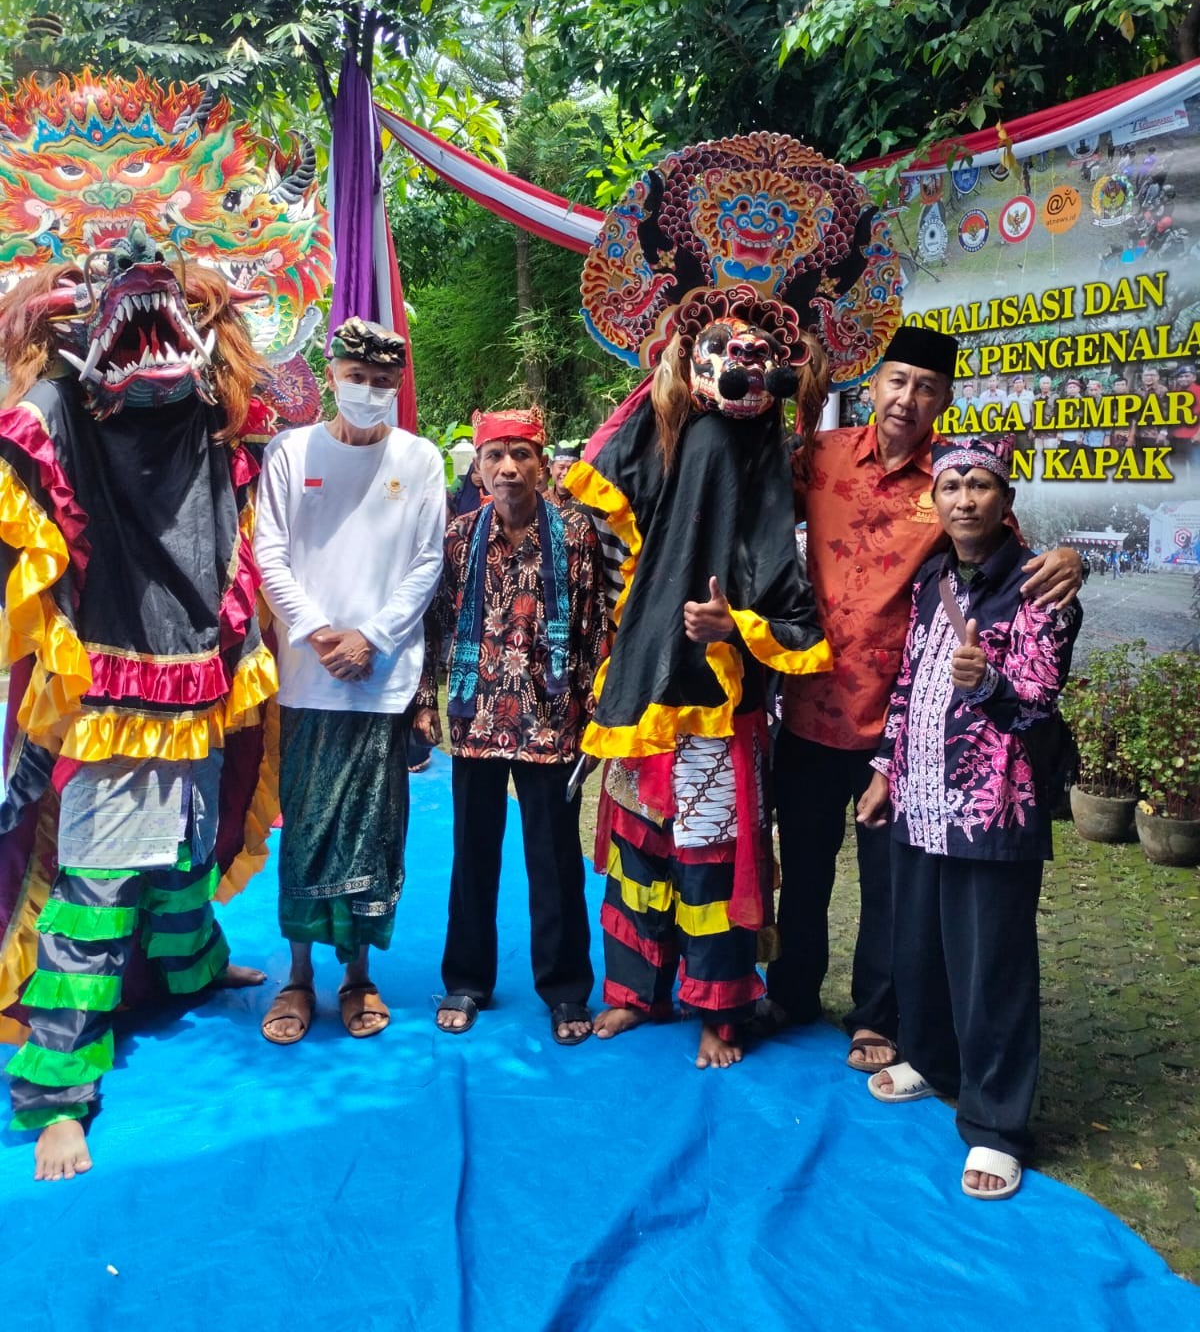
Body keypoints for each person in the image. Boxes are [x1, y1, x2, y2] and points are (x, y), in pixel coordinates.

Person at [0, 228, 278, 1180]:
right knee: (102, 879)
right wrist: (27, 338)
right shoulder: (67, 408)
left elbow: (268, 402)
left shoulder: (212, 412)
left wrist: (217, 306)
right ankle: (59, 1097)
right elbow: (17, 436)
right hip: (113, 682)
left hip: (198, 669)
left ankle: (192, 967)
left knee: (190, 844)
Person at [762, 324, 1082, 1071]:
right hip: (809, 705)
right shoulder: (823, 458)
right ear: (874, 385)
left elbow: (1017, 565)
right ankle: (792, 991)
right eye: (897, 381)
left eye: (927, 387)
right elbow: (747, 507)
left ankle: (880, 1015)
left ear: (944, 398)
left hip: (903, 730)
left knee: (893, 887)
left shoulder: (954, 480)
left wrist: (1074, 560)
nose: (909, 398)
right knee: (804, 865)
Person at [569, 288, 832, 1069]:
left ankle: (720, 1009)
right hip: (649, 677)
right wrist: (666, 359)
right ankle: (632, 992)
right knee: (642, 848)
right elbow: (599, 466)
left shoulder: (772, 456)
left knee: (713, 854)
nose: (741, 368)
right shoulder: (671, 433)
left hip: (720, 697)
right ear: (694, 361)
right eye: (723, 352)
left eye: (759, 356)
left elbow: (790, 599)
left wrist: (736, 627)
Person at [856, 434, 1081, 1200]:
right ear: (936, 501)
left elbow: (1039, 705)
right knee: (921, 948)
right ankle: (933, 1058)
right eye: (952, 487)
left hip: (994, 807)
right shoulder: (931, 582)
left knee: (993, 968)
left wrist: (987, 685)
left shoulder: (1039, 587)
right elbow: (907, 682)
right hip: (921, 796)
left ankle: (996, 1127)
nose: (964, 500)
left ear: (1006, 500)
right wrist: (887, 768)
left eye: (981, 485)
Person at [254, 317, 446, 1044]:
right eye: (356, 379)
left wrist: (373, 637)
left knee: (375, 832)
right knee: (304, 828)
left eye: (381, 382)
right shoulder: (291, 451)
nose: (367, 392)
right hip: (307, 675)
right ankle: (299, 977)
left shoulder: (421, 459)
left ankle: (358, 975)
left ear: (397, 386)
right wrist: (317, 632)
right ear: (331, 377)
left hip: (382, 678)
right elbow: (270, 551)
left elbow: (427, 561)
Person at [416, 407, 605, 1045]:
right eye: (496, 456)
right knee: (472, 855)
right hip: (477, 719)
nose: (508, 468)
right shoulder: (457, 538)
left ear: (544, 466)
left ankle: (565, 990)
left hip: (552, 724)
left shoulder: (576, 534)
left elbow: (593, 631)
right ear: (476, 469)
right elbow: (434, 625)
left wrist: (596, 717)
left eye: (522, 454)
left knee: (556, 863)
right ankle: (467, 980)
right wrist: (423, 702)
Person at [546, 440, 581, 509]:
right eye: (561, 467)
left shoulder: (586, 502)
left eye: (571, 468)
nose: (565, 473)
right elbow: (551, 482)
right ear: (551, 469)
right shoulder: (543, 500)